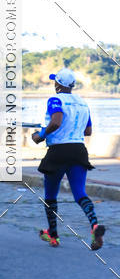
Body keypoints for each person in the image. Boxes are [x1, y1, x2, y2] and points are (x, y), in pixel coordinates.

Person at [32, 68, 105, 250]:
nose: (54, 84)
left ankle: (54, 235)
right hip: (79, 151)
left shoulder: (55, 100)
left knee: (50, 195)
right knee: (80, 193)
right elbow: (87, 131)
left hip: (58, 152)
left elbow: (56, 121)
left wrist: (40, 136)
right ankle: (95, 225)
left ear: (58, 84)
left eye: (54, 82)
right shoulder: (83, 103)